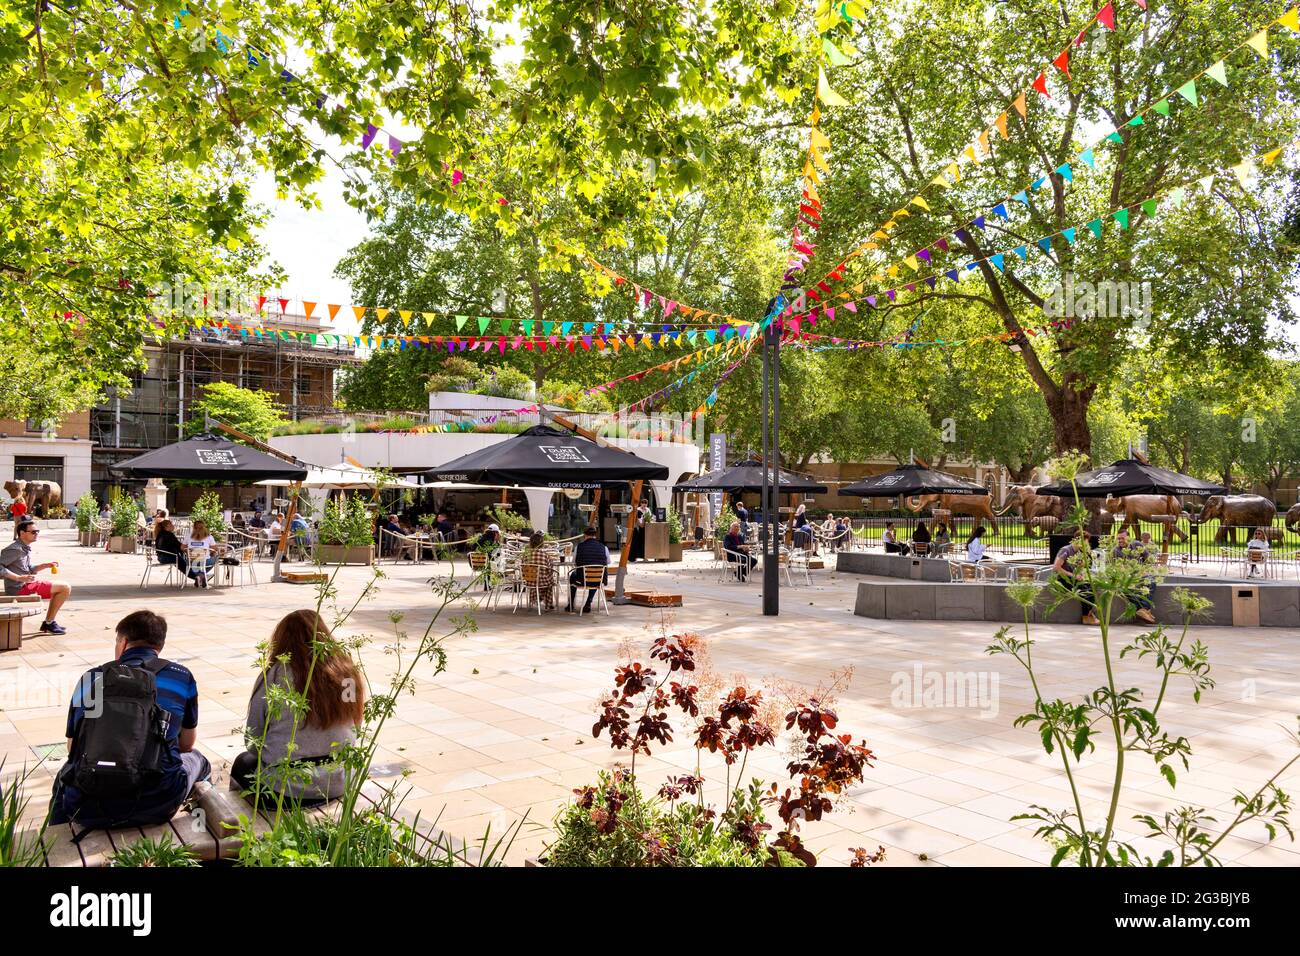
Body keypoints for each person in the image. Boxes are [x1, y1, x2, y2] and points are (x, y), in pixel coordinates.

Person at [49, 610, 209, 828]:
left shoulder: (92, 678)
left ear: (123, 642)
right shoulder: (181, 676)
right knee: (199, 760)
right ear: (159, 646)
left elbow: (73, 747)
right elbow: (186, 744)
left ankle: (54, 837)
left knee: (65, 775)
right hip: (158, 804)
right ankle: (198, 829)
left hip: (88, 807)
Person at [231, 610, 364, 805]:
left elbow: (254, 741)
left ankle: (247, 822)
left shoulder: (274, 676)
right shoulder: (346, 675)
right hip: (338, 781)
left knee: (243, 763)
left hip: (285, 788)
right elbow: (355, 728)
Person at [1, 519, 71, 634]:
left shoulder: (24, 547)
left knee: (60, 588)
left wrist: (44, 565)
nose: (36, 534)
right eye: (33, 532)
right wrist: (18, 578)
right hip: (19, 589)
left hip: (25, 586)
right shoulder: (14, 549)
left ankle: (49, 623)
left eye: (37, 531)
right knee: (65, 587)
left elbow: (28, 568)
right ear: (22, 533)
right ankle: (49, 623)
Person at [1053, 529, 1099, 625]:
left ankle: (1088, 615)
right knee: (1084, 591)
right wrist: (1074, 575)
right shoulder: (1066, 550)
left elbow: (1080, 568)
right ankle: (1087, 616)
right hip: (1063, 579)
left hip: (1073, 578)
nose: (1085, 545)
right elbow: (1056, 568)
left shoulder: (1079, 552)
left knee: (1091, 589)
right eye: (1084, 543)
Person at [1113, 530, 1157, 624]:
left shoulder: (1137, 544)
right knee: (1127, 590)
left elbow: (1148, 559)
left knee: (1151, 582)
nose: (1120, 540)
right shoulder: (1116, 551)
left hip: (1141, 574)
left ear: (1128, 538)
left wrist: (1145, 570)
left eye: (1122, 538)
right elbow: (1118, 568)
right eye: (1118, 539)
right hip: (1127, 577)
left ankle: (1143, 610)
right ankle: (1144, 610)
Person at [567, 525, 610, 613]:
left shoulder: (579, 547)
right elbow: (608, 562)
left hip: (582, 579)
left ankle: (571, 604)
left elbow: (574, 563)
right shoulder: (604, 547)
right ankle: (588, 603)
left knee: (572, 575)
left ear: (584, 535)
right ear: (595, 535)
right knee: (596, 577)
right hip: (598, 580)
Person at [186, 519, 220, 588]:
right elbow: (215, 549)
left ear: (193, 527)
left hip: (192, 561)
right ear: (204, 527)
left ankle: (198, 576)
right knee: (216, 558)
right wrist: (210, 551)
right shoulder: (209, 537)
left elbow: (182, 547)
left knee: (196, 564)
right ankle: (201, 576)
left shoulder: (188, 536)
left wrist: (189, 550)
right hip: (205, 561)